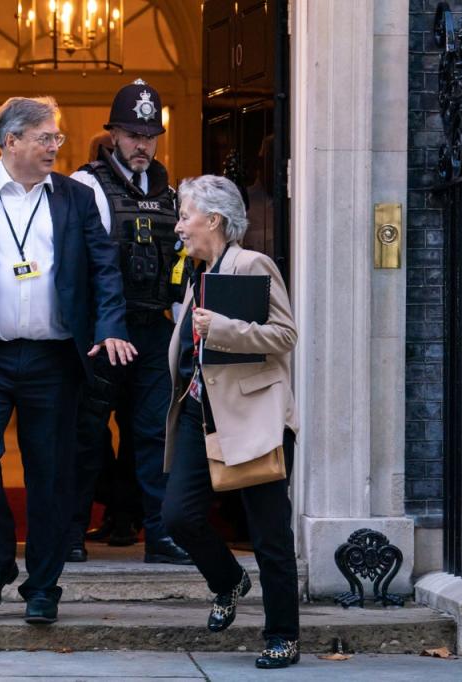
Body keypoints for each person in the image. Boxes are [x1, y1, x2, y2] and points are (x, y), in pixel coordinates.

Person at [0, 96, 137, 625]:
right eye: (46, 138)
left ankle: (43, 584)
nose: (55, 147)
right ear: (10, 140)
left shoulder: (74, 197)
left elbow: (104, 269)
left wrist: (110, 325)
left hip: (53, 358)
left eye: (58, 138)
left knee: (52, 475)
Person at [161, 175, 300, 669]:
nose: (179, 226)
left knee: (269, 535)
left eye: (185, 216)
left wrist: (220, 328)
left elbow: (284, 335)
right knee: (178, 515)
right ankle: (228, 581)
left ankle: (282, 634)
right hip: (204, 413)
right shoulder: (198, 272)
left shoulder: (251, 264)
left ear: (213, 220)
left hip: (253, 417)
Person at [67, 80, 191, 565]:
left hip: (153, 330)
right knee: (88, 434)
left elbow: (181, 270)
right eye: (133, 134)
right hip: (102, 332)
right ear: (113, 134)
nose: (142, 144)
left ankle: (160, 536)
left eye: (150, 135)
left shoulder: (173, 195)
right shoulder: (84, 186)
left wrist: (184, 333)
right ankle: (72, 533)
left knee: (156, 434)